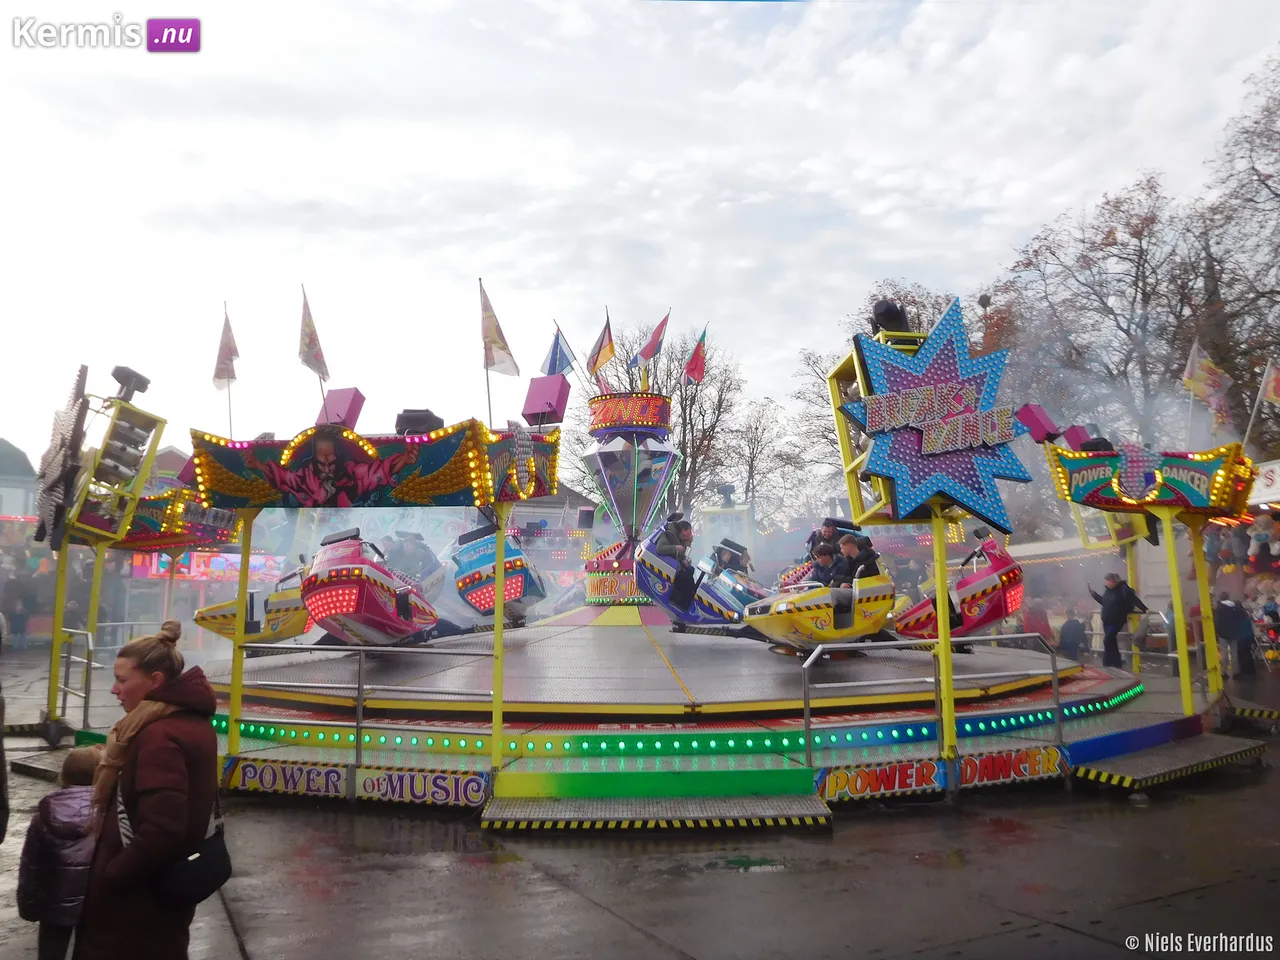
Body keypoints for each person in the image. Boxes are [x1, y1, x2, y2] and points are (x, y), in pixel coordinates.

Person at [74, 621, 218, 960]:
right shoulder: (188, 723)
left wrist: (113, 876)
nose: (114, 689)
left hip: (135, 912)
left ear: (155, 681)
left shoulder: (158, 736)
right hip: (160, 899)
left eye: (123, 680)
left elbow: (163, 830)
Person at [19, 748, 99, 960]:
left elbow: (30, 865)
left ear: (63, 776)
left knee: (51, 952)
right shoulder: (106, 812)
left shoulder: (43, 816)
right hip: (93, 903)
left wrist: (27, 905)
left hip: (52, 905)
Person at [1087, 573, 1148, 668]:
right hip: (1107, 620)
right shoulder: (1108, 591)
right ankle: (1115, 663)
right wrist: (1094, 595)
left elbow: (1134, 599)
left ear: (1113, 581)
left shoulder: (1124, 589)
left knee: (1107, 640)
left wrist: (1144, 609)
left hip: (1117, 619)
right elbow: (1103, 602)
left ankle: (1108, 663)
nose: (1106, 583)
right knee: (1110, 641)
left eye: (1107, 581)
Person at [1214, 592, 1257, 677]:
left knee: (1225, 653)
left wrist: (1217, 632)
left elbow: (1217, 622)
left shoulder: (1219, 609)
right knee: (1234, 653)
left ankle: (1223, 672)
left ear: (1221, 598)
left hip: (1222, 634)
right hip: (1234, 633)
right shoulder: (1236, 608)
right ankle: (1236, 672)